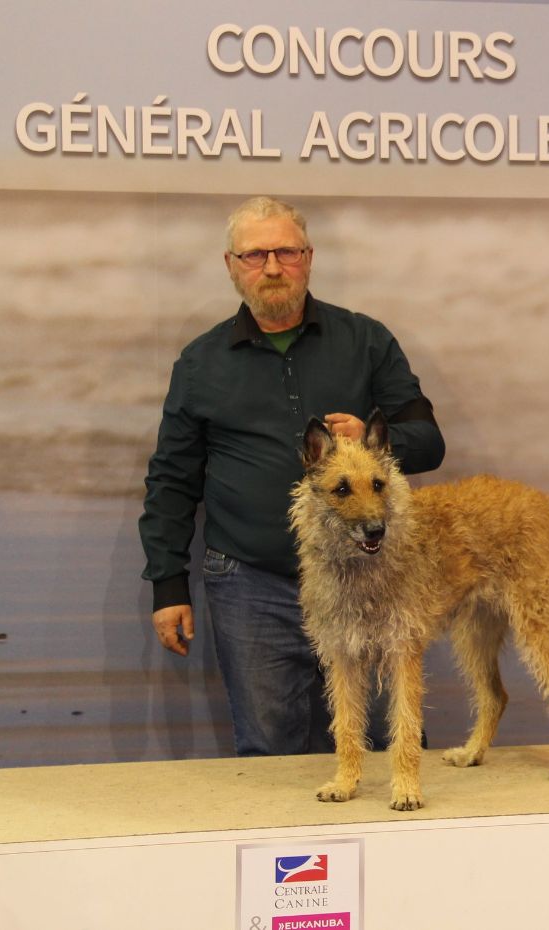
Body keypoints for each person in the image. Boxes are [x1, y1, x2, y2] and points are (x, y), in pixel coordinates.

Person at [139, 196, 445, 756]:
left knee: (390, 745)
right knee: (269, 752)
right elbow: (172, 479)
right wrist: (168, 584)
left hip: (370, 581)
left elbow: (429, 442)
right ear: (231, 265)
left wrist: (378, 445)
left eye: (285, 251)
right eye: (256, 255)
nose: (273, 267)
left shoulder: (366, 340)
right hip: (251, 583)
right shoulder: (201, 362)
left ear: (309, 257)